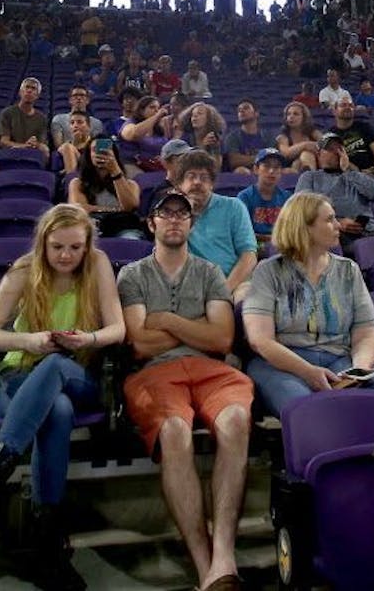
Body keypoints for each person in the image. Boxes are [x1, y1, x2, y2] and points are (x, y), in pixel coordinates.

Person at [0, 205, 123, 586]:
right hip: (17, 376)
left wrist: (86, 340)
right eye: (57, 246)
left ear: (87, 245)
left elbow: (118, 329)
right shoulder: (25, 269)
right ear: (42, 243)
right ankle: (48, 543)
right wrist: (29, 340)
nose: (65, 255)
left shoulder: (99, 264)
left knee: (57, 367)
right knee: (55, 411)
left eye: (75, 247)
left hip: (77, 373)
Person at [117, 190, 253, 591]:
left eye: (183, 214)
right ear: (152, 223)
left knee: (236, 420)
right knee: (174, 431)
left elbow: (223, 340)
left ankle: (224, 554)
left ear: (191, 225)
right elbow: (140, 344)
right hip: (155, 374)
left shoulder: (210, 272)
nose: (175, 219)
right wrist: (195, 330)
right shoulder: (133, 275)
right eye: (166, 213)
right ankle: (204, 564)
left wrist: (168, 321)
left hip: (213, 370)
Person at [242, 192, 374, 415]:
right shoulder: (268, 271)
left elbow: (365, 331)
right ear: (304, 227)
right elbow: (261, 341)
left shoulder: (349, 270)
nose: (338, 225)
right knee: (309, 410)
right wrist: (308, 371)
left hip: (339, 359)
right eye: (329, 220)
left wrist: (360, 366)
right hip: (282, 363)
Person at [176, 150, 258, 297]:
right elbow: (167, 255)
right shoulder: (172, 213)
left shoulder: (234, 207)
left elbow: (248, 256)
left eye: (204, 177)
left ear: (212, 184)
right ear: (180, 184)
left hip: (233, 284)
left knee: (246, 297)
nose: (197, 182)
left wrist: (224, 291)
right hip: (189, 288)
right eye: (191, 176)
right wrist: (187, 214)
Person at [67, 137, 142, 238]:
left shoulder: (131, 184)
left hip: (123, 227)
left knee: (131, 238)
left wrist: (115, 171)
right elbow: (80, 209)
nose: (101, 153)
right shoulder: (77, 183)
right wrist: (116, 210)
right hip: (92, 226)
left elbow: (129, 207)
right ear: (89, 155)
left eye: (107, 150)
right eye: (95, 150)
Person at [330, 96, 374, 186]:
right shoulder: (331, 134)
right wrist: (359, 172)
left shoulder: (365, 127)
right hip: (347, 174)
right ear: (334, 111)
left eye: (351, 106)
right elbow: (337, 161)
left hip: (372, 172)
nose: (348, 108)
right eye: (343, 105)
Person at [237, 148, 291, 242]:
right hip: (253, 246)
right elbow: (241, 232)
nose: (271, 171)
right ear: (256, 169)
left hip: (281, 246)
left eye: (276, 167)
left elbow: (292, 230)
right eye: (266, 166)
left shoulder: (287, 198)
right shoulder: (244, 197)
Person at [0, 77, 50, 152]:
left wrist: (35, 143)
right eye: (27, 87)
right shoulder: (7, 113)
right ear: (20, 92)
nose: (29, 90)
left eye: (33, 88)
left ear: (37, 96)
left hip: (32, 153)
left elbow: (41, 143)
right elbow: (3, 142)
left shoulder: (42, 118)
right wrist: (24, 146)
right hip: (11, 152)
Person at [224, 98, 272, 173]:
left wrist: (247, 159)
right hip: (242, 173)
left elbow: (272, 159)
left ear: (256, 113)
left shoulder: (267, 137)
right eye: (239, 110)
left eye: (246, 108)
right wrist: (262, 157)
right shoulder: (232, 137)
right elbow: (234, 161)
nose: (241, 111)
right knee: (241, 170)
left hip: (264, 171)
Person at [178, 102, 227, 172]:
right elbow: (185, 165)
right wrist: (202, 147)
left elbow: (216, 168)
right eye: (192, 115)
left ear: (209, 118)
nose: (195, 116)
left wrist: (216, 149)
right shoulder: (185, 138)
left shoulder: (215, 138)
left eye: (199, 113)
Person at [277, 101, 322, 172]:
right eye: (288, 114)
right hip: (289, 170)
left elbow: (325, 146)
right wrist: (305, 145)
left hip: (315, 165)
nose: (291, 117)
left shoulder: (314, 132)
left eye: (296, 114)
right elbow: (286, 153)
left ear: (304, 118)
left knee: (306, 155)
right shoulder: (283, 136)